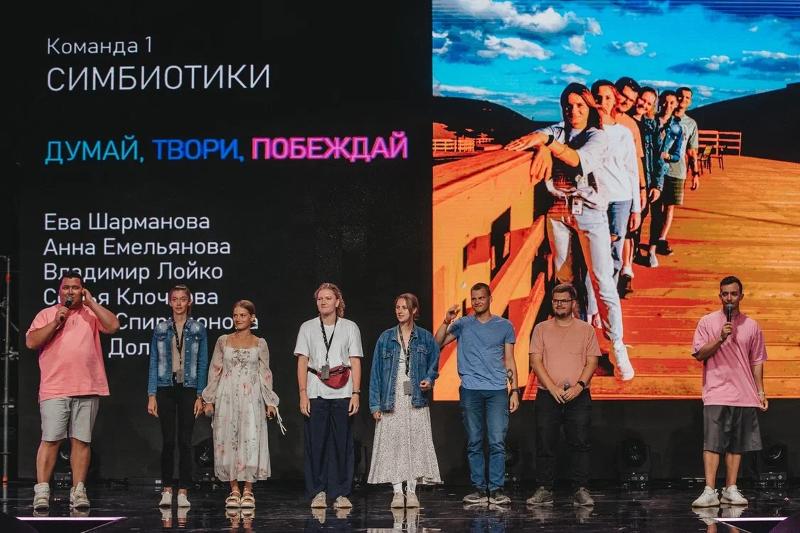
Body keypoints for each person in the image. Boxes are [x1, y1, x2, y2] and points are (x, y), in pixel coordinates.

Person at [506, 82, 634, 381]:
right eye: (568, 105)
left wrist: (548, 144)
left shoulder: (598, 135)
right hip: (558, 211)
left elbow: (578, 160)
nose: (573, 111)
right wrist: (541, 144)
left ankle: (616, 346)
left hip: (590, 212)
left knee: (602, 280)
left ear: (589, 108)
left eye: (580, 105)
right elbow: (542, 135)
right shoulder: (558, 130)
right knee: (565, 280)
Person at [25, 271, 120, 510]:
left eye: (75, 287)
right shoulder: (47, 314)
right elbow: (31, 342)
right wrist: (56, 322)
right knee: (51, 439)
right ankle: (42, 491)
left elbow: (113, 326)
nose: (70, 291)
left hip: (87, 386)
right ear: (60, 291)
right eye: (66, 287)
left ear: (82, 291)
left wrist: (92, 303)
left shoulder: (90, 313)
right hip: (55, 387)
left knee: (81, 441)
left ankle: (78, 491)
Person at [435, 282, 519, 506]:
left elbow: (510, 359)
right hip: (470, 390)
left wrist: (515, 390)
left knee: (497, 441)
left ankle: (496, 490)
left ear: (490, 299)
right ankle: (480, 490)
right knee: (474, 441)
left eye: (481, 298)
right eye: (474, 299)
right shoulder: (463, 324)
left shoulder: (504, 326)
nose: (477, 302)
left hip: (497, 390)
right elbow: (437, 343)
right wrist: (446, 321)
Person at [690, 276, 768, 508]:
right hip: (716, 392)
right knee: (712, 443)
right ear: (720, 296)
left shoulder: (752, 326)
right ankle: (709, 490)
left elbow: (757, 360)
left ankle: (731, 488)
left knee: (737, 444)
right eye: (725, 294)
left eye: (733, 294)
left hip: (744, 394)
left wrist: (760, 392)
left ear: (741, 296)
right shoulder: (707, 322)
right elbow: (699, 354)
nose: (729, 298)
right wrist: (720, 338)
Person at [202, 300, 282, 509]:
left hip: (251, 397)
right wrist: (209, 399)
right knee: (227, 439)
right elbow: (215, 370)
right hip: (227, 396)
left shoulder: (259, 343)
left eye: (243, 315)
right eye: (235, 315)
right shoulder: (223, 341)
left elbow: (265, 374)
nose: (238, 319)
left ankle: (248, 489)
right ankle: (234, 489)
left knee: (250, 439)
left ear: (252, 318)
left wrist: (270, 402)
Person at [526, 283, 600, 507]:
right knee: (545, 442)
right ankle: (544, 489)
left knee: (580, 442)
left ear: (573, 303)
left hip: (579, 395)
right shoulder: (541, 328)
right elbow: (535, 361)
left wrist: (579, 386)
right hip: (548, 394)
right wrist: (552, 388)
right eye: (556, 300)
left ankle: (580, 489)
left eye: (564, 301)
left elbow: (592, 361)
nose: (559, 304)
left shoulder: (586, 329)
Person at [368, 293, 442, 509]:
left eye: (404, 307)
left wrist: (429, 379)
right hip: (391, 397)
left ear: (414, 310)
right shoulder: (386, 338)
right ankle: (397, 493)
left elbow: (434, 362)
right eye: (397, 307)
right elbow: (376, 373)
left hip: (415, 397)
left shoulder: (425, 337)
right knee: (394, 444)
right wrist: (374, 404)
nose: (399, 311)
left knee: (414, 443)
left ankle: (411, 491)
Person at [295, 283, 364, 510]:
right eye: (320, 299)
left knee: (342, 443)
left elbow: (355, 361)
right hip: (316, 391)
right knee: (316, 444)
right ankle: (318, 492)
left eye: (328, 298)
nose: (323, 302)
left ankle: (342, 493)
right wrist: (303, 394)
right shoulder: (307, 327)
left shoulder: (350, 327)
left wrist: (355, 393)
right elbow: (302, 361)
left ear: (337, 301)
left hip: (343, 392)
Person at [147, 284, 209, 508]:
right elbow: (154, 361)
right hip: (165, 387)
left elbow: (202, 363)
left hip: (189, 388)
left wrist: (200, 395)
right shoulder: (161, 328)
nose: (179, 303)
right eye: (175, 299)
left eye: (183, 299)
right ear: (169, 302)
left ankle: (183, 490)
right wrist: (151, 394)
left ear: (189, 302)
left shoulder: (198, 329)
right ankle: (166, 489)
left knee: (185, 441)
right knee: (168, 440)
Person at [655, 86, 700, 256]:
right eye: (680, 96)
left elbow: (692, 151)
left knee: (669, 207)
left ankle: (661, 239)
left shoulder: (691, 124)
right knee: (655, 206)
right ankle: (652, 239)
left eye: (687, 98)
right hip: (657, 170)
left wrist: (695, 174)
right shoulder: (662, 118)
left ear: (690, 101)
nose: (683, 100)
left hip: (677, 171)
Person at [613, 77, 647, 295]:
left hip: (622, 191)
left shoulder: (630, 125)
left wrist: (642, 188)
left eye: (631, 100)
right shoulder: (594, 116)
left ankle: (619, 280)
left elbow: (637, 160)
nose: (626, 102)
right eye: (623, 96)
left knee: (620, 237)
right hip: (595, 192)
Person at [645, 90, 684, 267]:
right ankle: (633, 248)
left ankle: (652, 250)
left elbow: (677, 155)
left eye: (672, 103)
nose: (668, 106)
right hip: (646, 171)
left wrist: (668, 156)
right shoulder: (649, 122)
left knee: (657, 215)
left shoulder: (677, 128)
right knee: (640, 212)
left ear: (676, 105)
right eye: (665, 102)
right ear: (660, 102)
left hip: (662, 176)